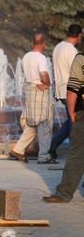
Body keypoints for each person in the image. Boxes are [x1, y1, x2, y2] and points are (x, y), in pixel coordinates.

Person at [9, 34, 56, 164]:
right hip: (39, 90)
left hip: (29, 89)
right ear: (44, 43)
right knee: (45, 123)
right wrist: (47, 83)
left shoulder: (26, 56)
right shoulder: (40, 58)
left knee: (32, 123)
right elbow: (43, 73)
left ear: (32, 42)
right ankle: (44, 156)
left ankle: (18, 149)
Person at [43, 52, 84, 203]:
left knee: (77, 154)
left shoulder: (81, 59)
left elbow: (73, 88)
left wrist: (72, 111)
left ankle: (63, 194)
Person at [48, 24, 82, 160]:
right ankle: (74, 154)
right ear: (79, 35)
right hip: (71, 91)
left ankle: (52, 145)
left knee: (70, 121)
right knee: (75, 122)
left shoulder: (58, 47)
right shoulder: (72, 51)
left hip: (61, 90)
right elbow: (76, 74)